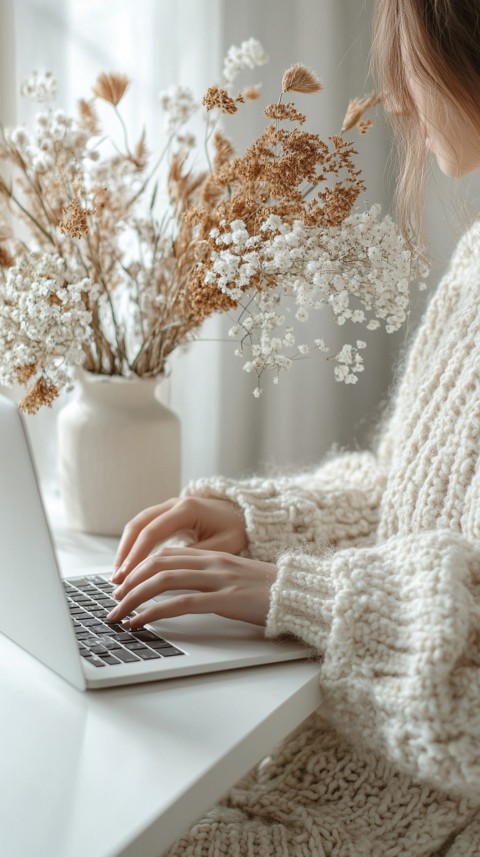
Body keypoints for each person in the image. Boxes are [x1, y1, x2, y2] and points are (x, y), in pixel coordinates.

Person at [107, 1, 480, 854]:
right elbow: (410, 494)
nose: (395, 92)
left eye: (408, 50)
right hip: (336, 763)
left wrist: (298, 593)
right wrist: (258, 524)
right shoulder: (477, 263)